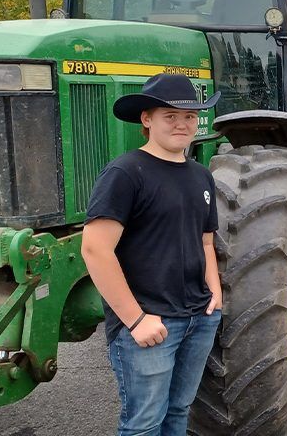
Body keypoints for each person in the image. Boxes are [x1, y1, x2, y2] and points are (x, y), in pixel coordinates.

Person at [81, 73, 222, 436]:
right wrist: (136, 319)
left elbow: (205, 242)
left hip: (198, 318)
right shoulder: (126, 173)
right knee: (144, 424)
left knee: (179, 412)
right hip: (150, 321)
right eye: (170, 116)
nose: (182, 124)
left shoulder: (201, 176)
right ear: (147, 119)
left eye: (189, 116)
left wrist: (214, 296)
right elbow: (95, 249)